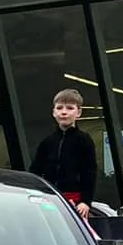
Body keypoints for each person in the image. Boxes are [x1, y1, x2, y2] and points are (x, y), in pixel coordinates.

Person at [29, 88, 97, 217]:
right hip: (49, 198)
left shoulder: (84, 140)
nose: (64, 112)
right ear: (54, 112)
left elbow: (89, 172)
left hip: (75, 201)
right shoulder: (47, 142)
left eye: (70, 108)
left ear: (78, 112)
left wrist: (85, 201)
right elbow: (35, 171)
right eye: (59, 108)